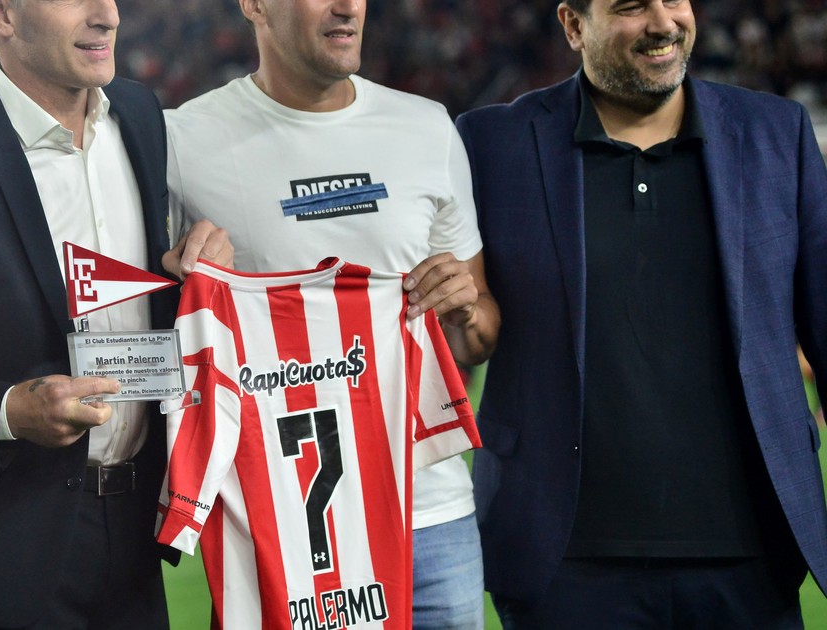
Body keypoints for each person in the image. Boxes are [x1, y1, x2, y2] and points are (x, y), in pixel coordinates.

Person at [454, 0, 827, 626]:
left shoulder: (774, 132)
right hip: (562, 564)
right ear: (574, 25)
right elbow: (461, 326)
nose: (662, 22)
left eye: (674, 0)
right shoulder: (492, 143)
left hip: (752, 557)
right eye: (631, 6)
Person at [164, 0, 500, 627]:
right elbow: (153, 322)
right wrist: (176, 278)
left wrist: (465, 313)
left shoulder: (426, 128)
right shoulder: (184, 142)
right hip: (285, 527)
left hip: (429, 515)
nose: (348, 7)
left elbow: (478, 335)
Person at [0, 0, 229, 627]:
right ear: (1, 13)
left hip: (137, 541)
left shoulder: (139, 114)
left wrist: (199, 266)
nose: (107, 15)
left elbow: (148, 290)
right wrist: (7, 412)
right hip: (4, 555)